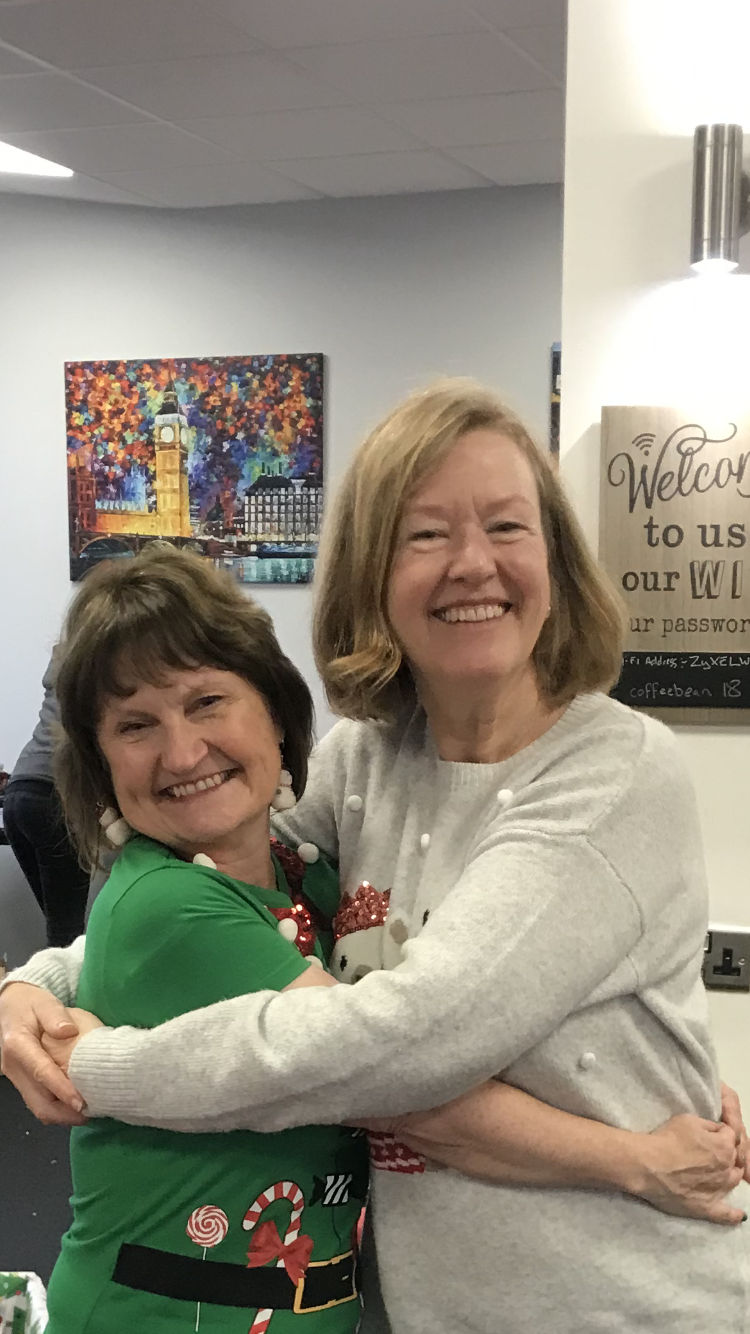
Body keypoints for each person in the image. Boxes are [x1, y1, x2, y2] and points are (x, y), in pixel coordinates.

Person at [2, 381, 749, 1333]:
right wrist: (37, 984)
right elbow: (223, 892)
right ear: (370, 573)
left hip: (607, 1296)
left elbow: (403, 1050)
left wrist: (103, 1068)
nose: (472, 564)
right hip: (419, 1298)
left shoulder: (613, 773)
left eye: (508, 527)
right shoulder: (370, 759)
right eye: (425, 534)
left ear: (555, 557)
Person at [22, 545, 369, 1332]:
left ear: (275, 713)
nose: (182, 754)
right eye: (135, 725)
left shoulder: (300, 875)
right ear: (101, 763)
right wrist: (628, 1159)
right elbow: (391, 1076)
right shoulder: (167, 906)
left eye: (208, 702)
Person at [3, 651, 90, 946]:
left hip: (18, 792)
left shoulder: (63, 659)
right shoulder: (98, 663)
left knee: (61, 924)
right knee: (68, 931)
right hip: (51, 797)